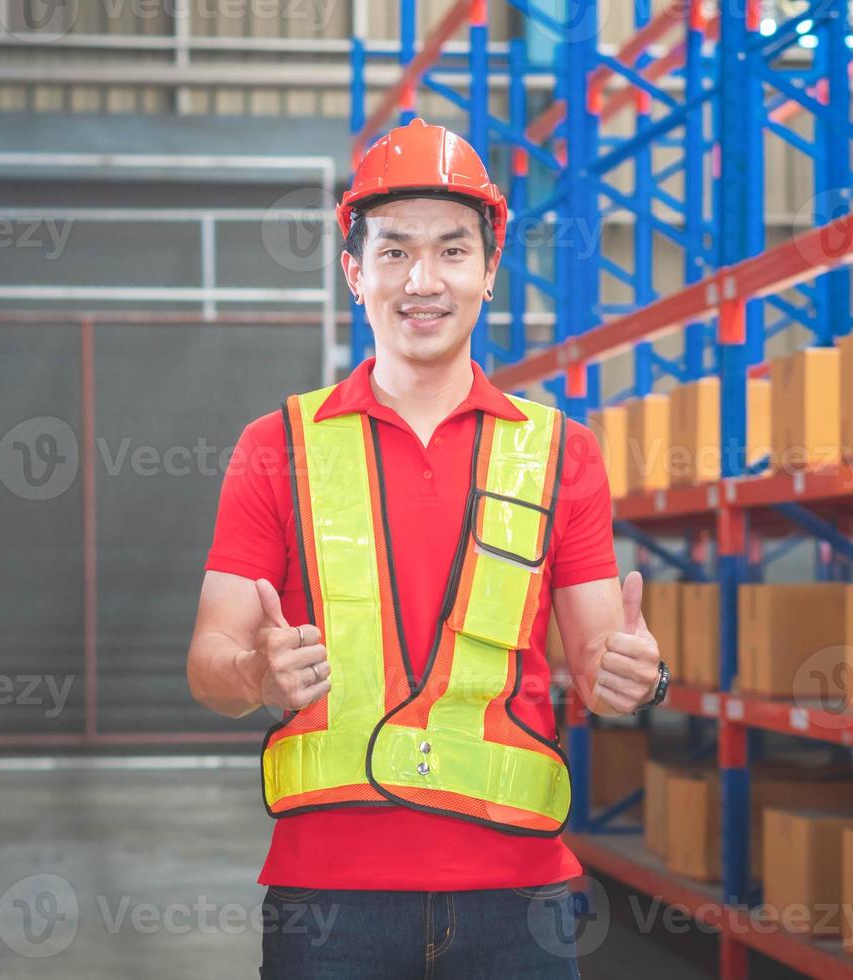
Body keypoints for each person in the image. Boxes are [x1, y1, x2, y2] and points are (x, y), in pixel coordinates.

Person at [187, 117, 666, 978]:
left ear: (489, 272)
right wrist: (254, 675)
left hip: (520, 899)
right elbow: (208, 662)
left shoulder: (563, 452)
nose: (423, 280)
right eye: (395, 251)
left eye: (452, 251)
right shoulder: (275, 445)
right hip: (328, 903)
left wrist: (637, 676)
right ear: (353, 272)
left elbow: (601, 666)